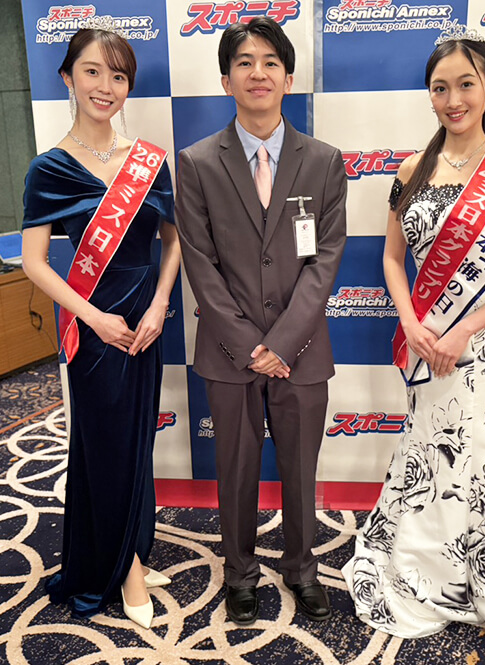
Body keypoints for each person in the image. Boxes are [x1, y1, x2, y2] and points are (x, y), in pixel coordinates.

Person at [342, 26, 485, 663]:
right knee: (429, 456)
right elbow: (391, 258)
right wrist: (411, 323)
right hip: (426, 338)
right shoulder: (413, 169)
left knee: (483, 460)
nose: (453, 99)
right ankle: (426, 567)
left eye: (467, 84)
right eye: (440, 88)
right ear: (429, 95)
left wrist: (464, 327)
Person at [175, 17, 346, 626]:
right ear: (226, 80)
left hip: (303, 350)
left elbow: (325, 259)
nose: (258, 73)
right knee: (237, 469)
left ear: (288, 78)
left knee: (301, 470)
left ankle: (302, 569)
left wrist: (284, 342)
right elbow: (200, 264)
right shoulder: (196, 163)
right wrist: (251, 345)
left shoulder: (323, 161)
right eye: (244, 62)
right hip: (230, 353)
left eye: (270, 62)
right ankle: (240, 573)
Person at [21, 25, 180, 629]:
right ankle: (126, 572)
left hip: (145, 322)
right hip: (95, 327)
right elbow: (35, 262)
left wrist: (161, 303)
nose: (105, 86)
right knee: (105, 444)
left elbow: (174, 241)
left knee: (135, 440)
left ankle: (127, 547)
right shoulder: (49, 170)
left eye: (118, 76)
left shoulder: (149, 162)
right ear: (67, 77)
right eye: (92, 71)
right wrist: (92, 318)